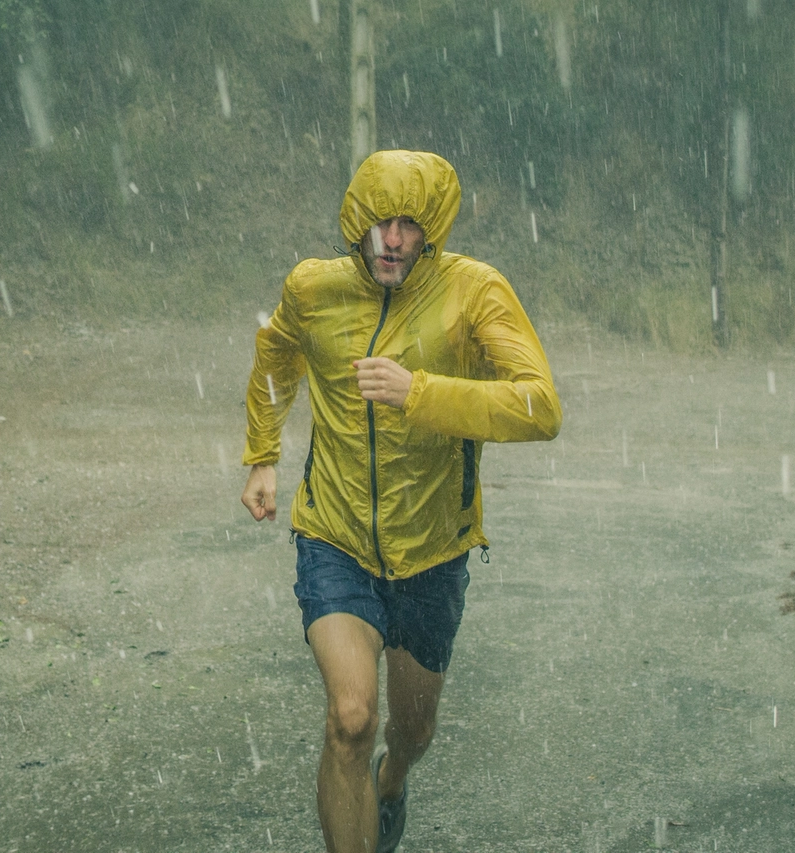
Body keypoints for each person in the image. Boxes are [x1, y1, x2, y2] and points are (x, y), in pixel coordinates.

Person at [239, 149, 561, 853]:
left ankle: (396, 776)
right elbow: (276, 356)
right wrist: (263, 454)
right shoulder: (312, 288)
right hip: (335, 536)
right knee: (350, 717)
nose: (394, 238)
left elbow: (540, 406)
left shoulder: (474, 291)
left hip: (433, 551)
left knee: (409, 728)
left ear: (433, 231)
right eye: (381, 220)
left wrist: (420, 392)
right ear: (356, 220)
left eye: (412, 225)